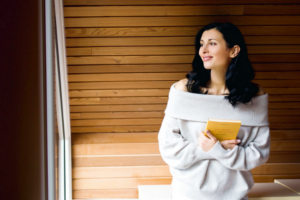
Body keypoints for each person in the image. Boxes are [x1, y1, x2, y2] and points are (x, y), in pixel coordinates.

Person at [158, 22, 270, 200]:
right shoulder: (183, 91)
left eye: (212, 43)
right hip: (187, 194)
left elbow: (259, 155)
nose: (203, 50)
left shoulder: (255, 96)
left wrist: (216, 149)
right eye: (201, 44)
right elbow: (168, 148)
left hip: (236, 195)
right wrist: (209, 149)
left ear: (234, 51)